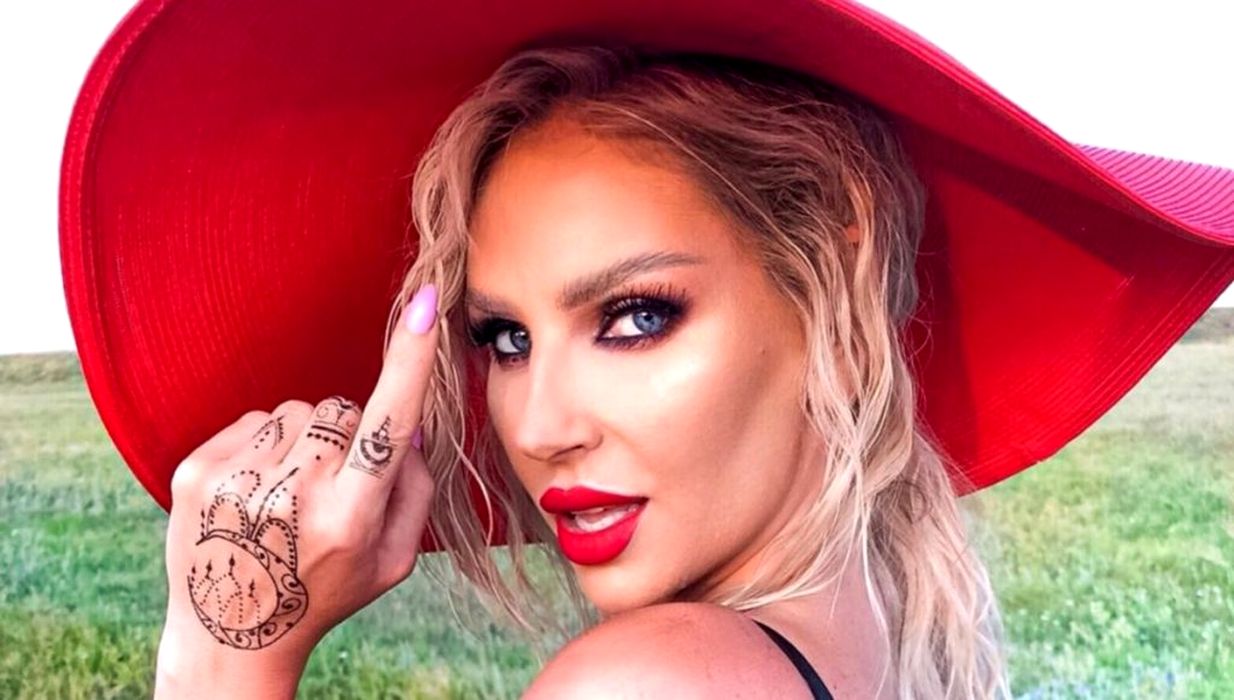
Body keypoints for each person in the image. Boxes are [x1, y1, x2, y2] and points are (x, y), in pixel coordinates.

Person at [58, 2, 1234, 699]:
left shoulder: (651, 681)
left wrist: (224, 660)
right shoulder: (891, 639)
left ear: (829, 275)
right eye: (503, 337)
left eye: (632, 315)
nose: (537, 426)